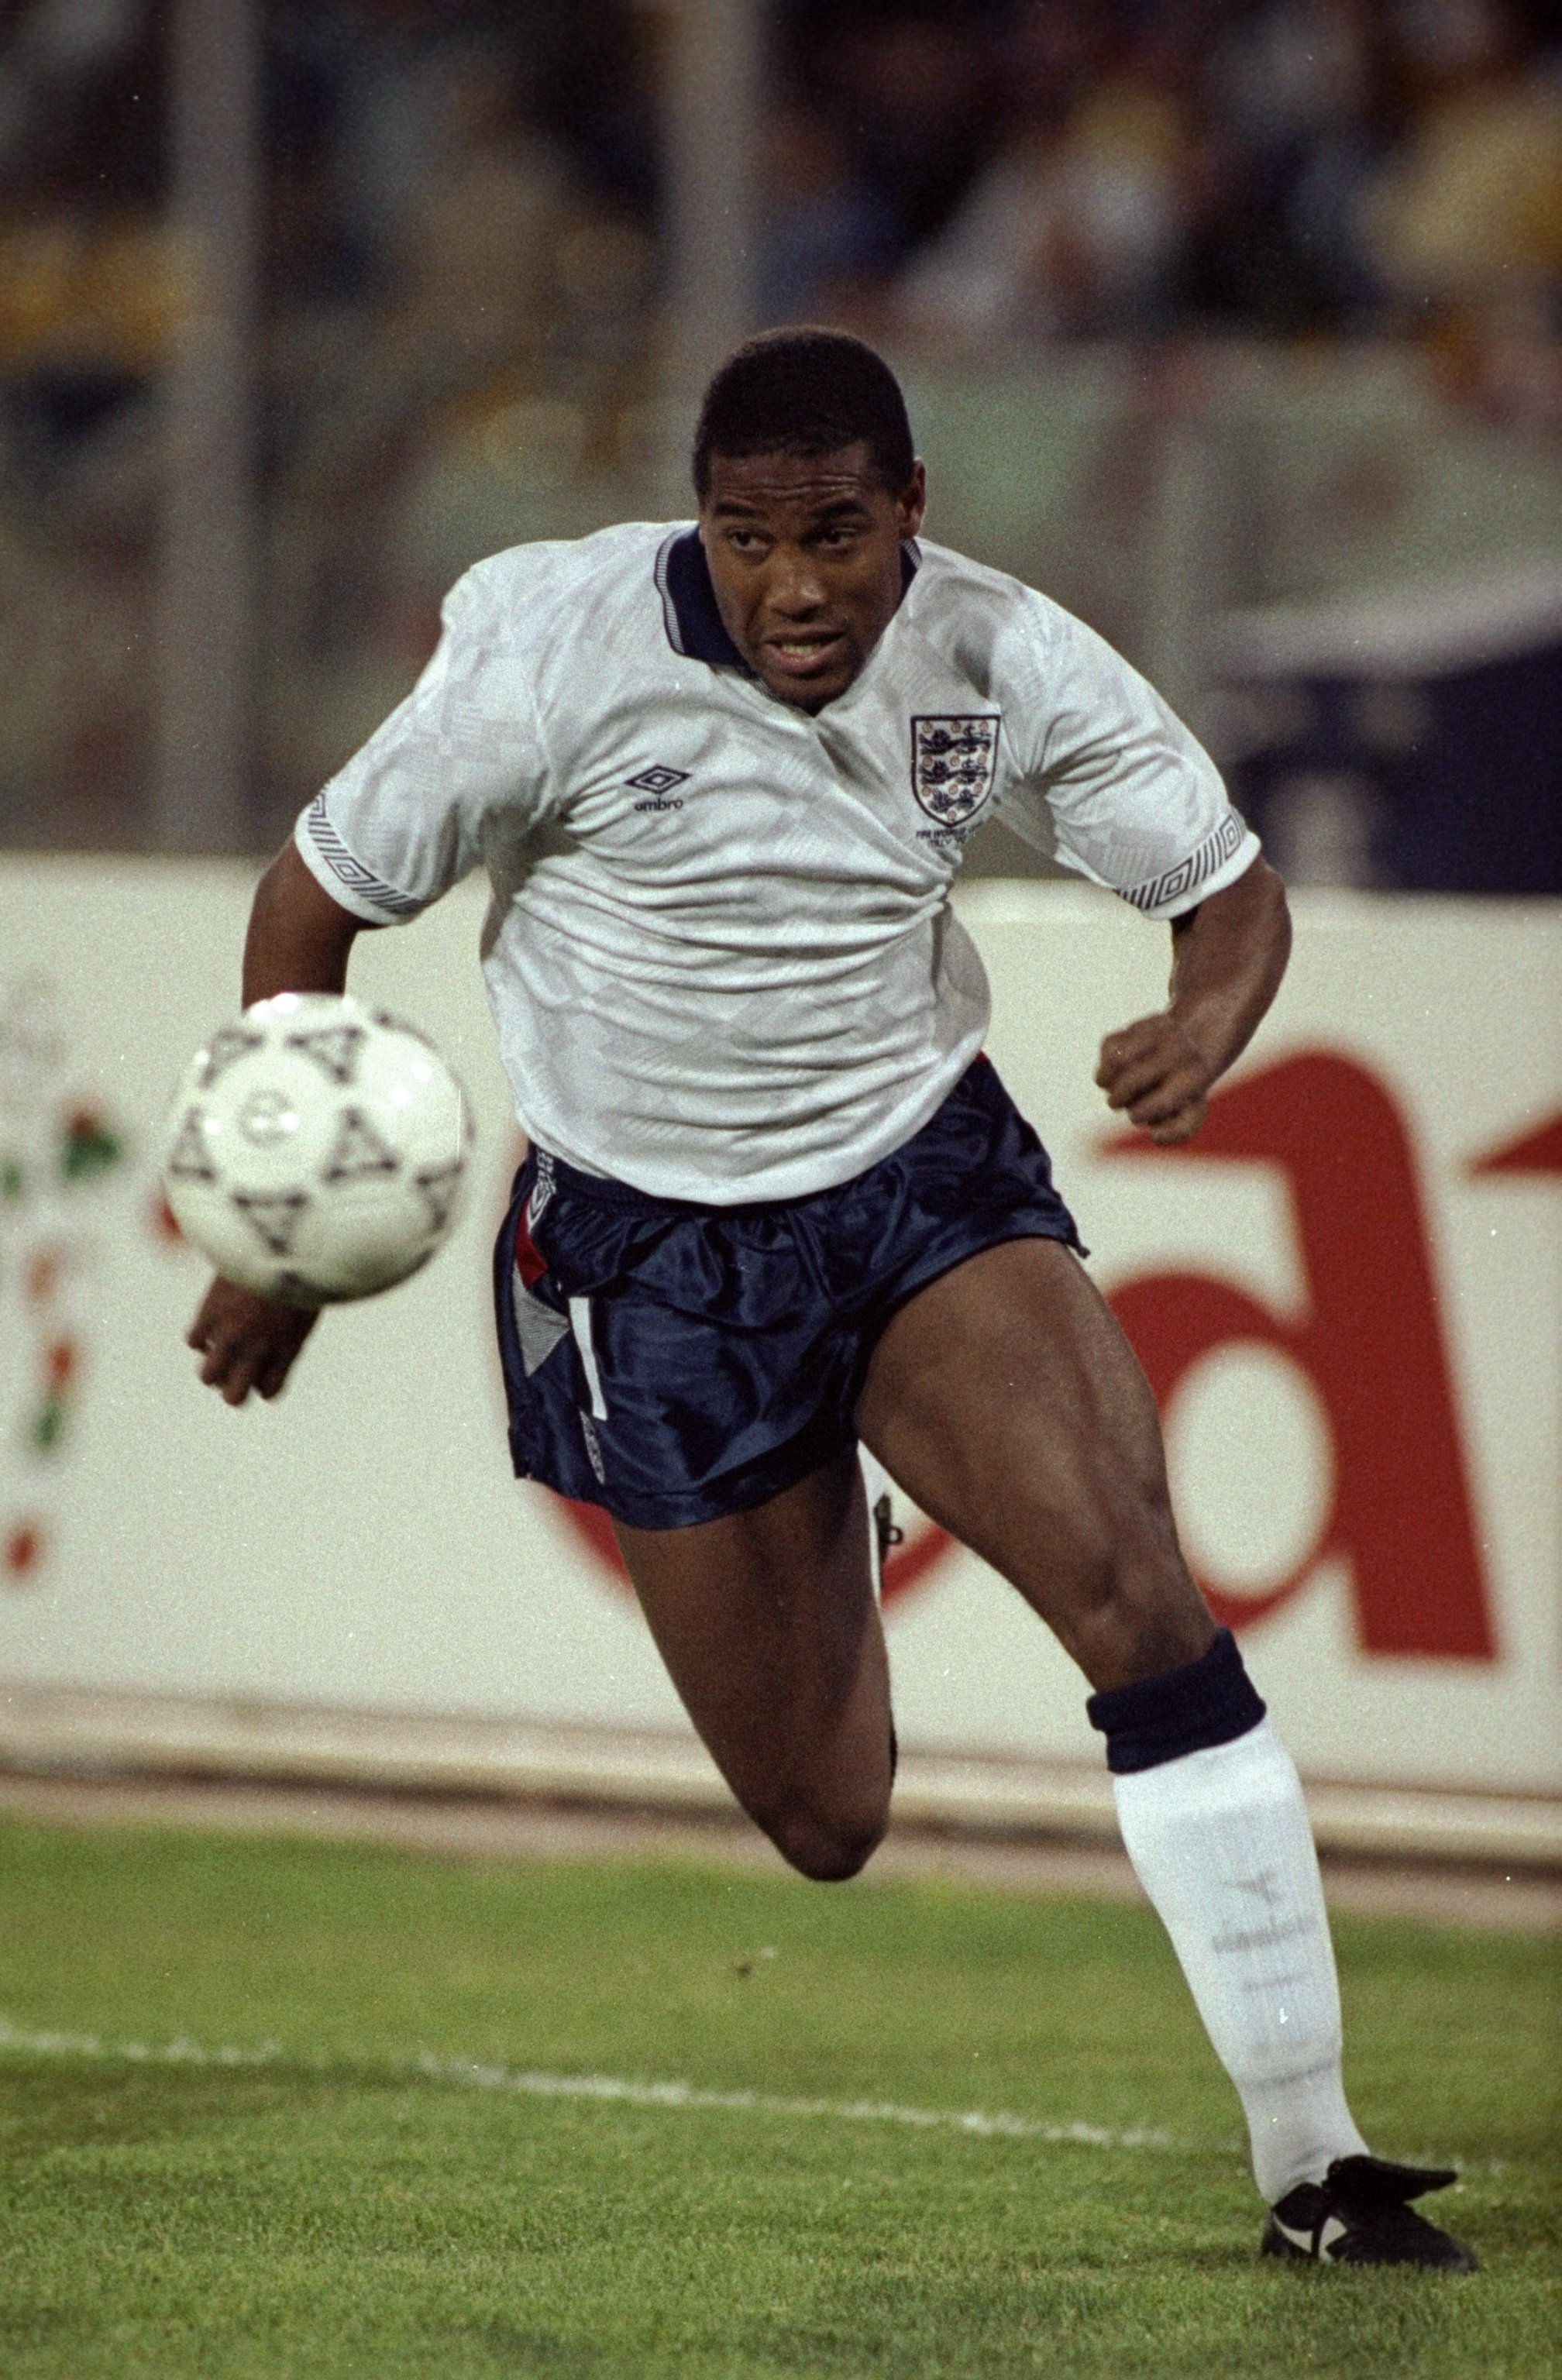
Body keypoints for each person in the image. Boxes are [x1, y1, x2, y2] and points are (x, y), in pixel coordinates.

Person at [187, 328, 1474, 2272]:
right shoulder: (548, 654)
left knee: (1136, 1590)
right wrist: (276, 1226)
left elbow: (1228, 889)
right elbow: (313, 899)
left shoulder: (1003, 651)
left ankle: (1317, 2159)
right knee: (824, 1817)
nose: (796, 588)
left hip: (919, 1191)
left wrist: (1213, 1011)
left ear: (913, 513)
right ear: (698, 518)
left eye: (840, 539)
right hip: (655, 1257)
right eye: (748, 538)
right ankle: (827, 1514)